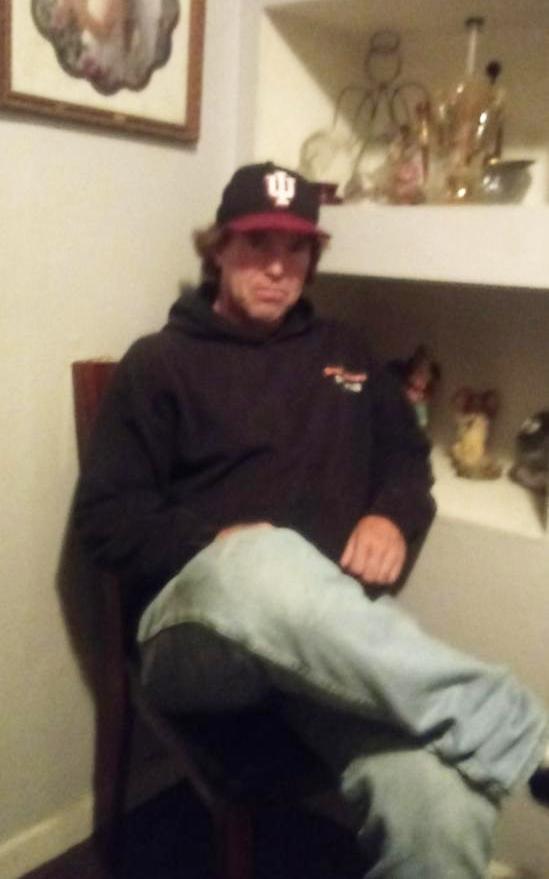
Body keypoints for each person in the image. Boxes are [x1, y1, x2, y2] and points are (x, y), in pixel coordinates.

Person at [75, 161, 549, 878]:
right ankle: (520, 734)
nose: (277, 266)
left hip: (322, 651)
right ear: (218, 248)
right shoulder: (159, 364)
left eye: (295, 247)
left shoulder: (346, 352)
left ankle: (493, 749)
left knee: (438, 799)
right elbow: (105, 519)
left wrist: (389, 516)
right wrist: (214, 545)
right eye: (256, 243)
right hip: (196, 641)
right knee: (267, 557)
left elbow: (405, 459)